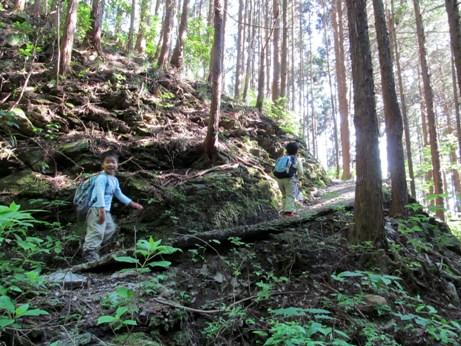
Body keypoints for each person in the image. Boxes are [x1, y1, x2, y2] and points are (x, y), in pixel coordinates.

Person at [82, 150, 143, 261]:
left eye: (113, 162)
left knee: (110, 228)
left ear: (117, 164)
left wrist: (132, 203)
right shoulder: (102, 177)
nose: (110, 164)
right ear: (102, 165)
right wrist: (101, 209)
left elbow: (119, 194)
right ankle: (89, 252)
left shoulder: (114, 180)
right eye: (107, 162)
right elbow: (99, 193)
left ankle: (95, 246)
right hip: (97, 208)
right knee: (97, 230)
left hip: (106, 210)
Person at [275, 142, 304, 217]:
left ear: (286, 150)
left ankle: (285, 211)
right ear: (296, 151)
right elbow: (300, 172)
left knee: (284, 195)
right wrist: (299, 179)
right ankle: (289, 213)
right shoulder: (296, 159)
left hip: (279, 178)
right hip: (289, 179)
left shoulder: (281, 158)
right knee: (290, 195)